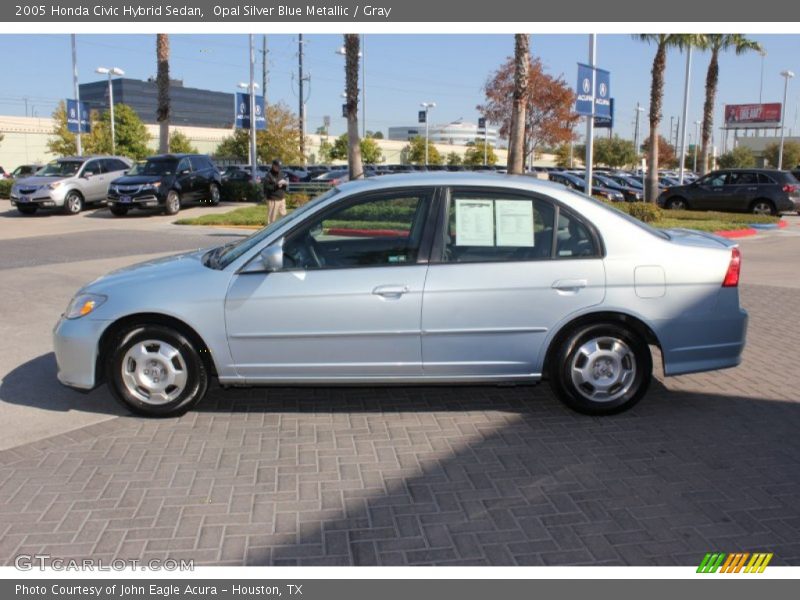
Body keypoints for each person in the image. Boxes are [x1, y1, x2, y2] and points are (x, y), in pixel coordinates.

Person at [263, 159, 288, 224]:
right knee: (272, 219)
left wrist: (284, 184)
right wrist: (276, 185)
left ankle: (284, 231)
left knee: (284, 216)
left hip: (281, 198)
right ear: (273, 166)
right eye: (278, 167)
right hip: (273, 199)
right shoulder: (269, 175)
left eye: (280, 167)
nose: (279, 168)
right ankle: (269, 232)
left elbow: (284, 183)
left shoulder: (281, 173)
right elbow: (266, 187)